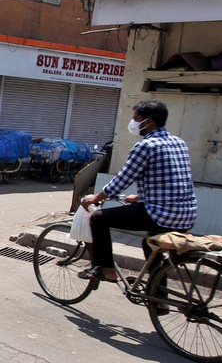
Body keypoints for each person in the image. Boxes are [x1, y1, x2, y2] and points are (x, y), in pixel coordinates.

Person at [78, 99, 197, 283]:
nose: (133, 123)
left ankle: (107, 269)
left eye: (136, 119)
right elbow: (172, 181)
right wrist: (141, 198)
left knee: (99, 218)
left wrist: (95, 197)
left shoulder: (146, 146)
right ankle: (159, 298)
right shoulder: (178, 142)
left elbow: (122, 180)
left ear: (148, 122)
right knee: (151, 243)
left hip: (160, 213)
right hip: (187, 214)